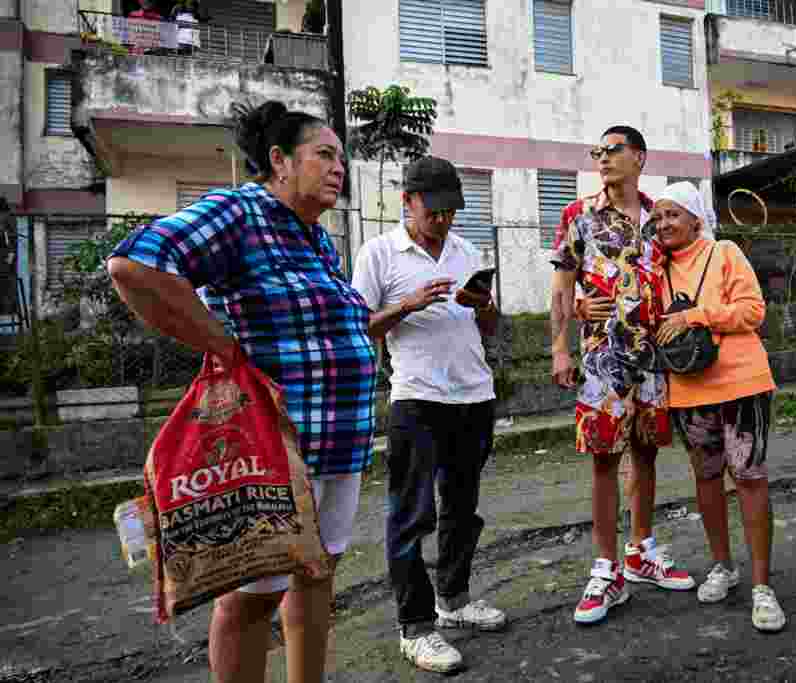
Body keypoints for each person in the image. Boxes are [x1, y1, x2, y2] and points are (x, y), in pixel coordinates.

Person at [107, 100, 376, 683]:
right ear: (279, 161)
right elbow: (136, 266)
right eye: (325, 154)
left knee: (316, 574)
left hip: (338, 440)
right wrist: (222, 345)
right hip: (274, 445)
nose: (338, 168)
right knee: (254, 595)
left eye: (342, 159)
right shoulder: (240, 212)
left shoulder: (316, 240)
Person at [351, 156, 505, 674]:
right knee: (412, 514)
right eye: (433, 210)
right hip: (417, 399)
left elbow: (490, 329)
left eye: (450, 211)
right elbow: (362, 326)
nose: (443, 220)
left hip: (474, 395)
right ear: (408, 202)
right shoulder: (379, 254)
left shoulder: (466, 251)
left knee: (463, 508)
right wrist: (409, 304)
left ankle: (454, 601)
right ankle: (416, 626)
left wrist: (483, 307)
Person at [550, 125, 695, 627]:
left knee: (648, 453)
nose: (603, 158)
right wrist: (559, 346)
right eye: (598, 151)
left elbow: (687, 274)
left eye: (613, 150)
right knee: (603, 461)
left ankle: (641, 552)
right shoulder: (579, 215)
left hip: (653, 359)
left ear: (639, 157)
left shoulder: (661, 219)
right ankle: (605, 568)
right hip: (600, 360)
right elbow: (563, 287)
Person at [653, 181, 787, 633]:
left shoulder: (724, 252)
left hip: (741, 383)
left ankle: (762, 587)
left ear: (696, 219)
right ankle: (722, 567)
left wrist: (695, 316)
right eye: (659, 216)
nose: (664, 223)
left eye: (674, 214)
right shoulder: (656, 269)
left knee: (748, 478)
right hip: (688, 390)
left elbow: (752, 310)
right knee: (707, 479)